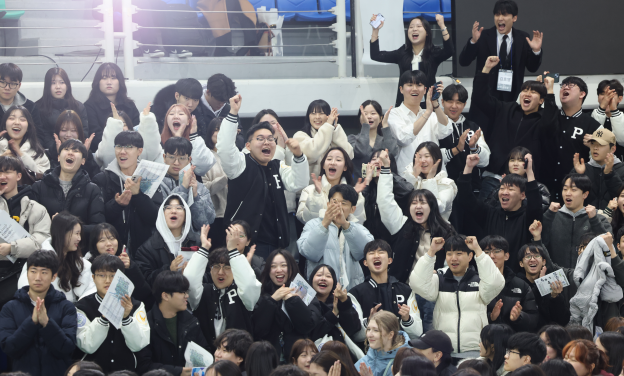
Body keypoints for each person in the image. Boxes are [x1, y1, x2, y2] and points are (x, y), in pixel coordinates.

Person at [217, 95, 309, 258]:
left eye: (270, 139)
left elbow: (298, 183)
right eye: (260, 139)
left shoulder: (277, 166)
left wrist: (299, 156)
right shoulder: (240, 164)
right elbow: (224, 148)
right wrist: (232, 113)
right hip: (245, 245)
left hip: (277, 245)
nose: (266, 142)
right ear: (248, 145)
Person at [473, 59, 557, 200]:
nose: (527, 94)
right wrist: (486, 69)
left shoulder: (543, 119)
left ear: (542, 100)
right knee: (486, 216)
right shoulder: (506, 109)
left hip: (524, 182)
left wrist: (550, 92)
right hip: (494, 177)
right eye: (525, 90)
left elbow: (550, 126)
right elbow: (481, 99)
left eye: (534, 92)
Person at [409, 235, 505, 353]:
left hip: (475, 349)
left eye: (459, 253)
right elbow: (417, 283)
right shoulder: (439, 280)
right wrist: (431, 251)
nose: (453, 258)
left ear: (470, 256)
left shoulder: (481, 280)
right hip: (444, 351)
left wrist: (477, 250)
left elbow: (496, 282)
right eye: (449, 254)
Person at [376, 148, 455, 281]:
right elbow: (385, 201)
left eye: (423, 203)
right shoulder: (401, 224)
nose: (418, 206)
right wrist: (385, 168)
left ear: (431, 207)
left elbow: (454, 262)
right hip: (404, 290)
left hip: (434, 290)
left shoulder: (446, 230)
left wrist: (440, 274)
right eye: (414, 203)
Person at [182, 224, 261, 352]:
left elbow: (249, 285)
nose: (220, 272)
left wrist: (233, 251)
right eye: (216, 267)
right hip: (208, 358)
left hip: (238, 360)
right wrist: (204, 248)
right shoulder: (203, 292)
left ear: (234, 269)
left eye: (227, 267)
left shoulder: (242, 295)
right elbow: (189, 280)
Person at [0, 250, 77, 376]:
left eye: (44, 272)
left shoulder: (66, 307)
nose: (38, 277)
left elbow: (67, 348)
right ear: (27, 273)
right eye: (33, 271)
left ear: (53, 276)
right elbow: (9, 348)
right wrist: (31, 322)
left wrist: (47, 323)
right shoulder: (10, 307)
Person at [459, 153, 542, 270]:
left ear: (523, 195)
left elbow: (535, 204)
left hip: (518, 277)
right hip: (488, 274)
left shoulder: (527, 217)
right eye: (502, 188)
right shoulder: (489, 213)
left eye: (511, 189)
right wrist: (468, 167)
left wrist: (529, 172)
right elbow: (465, 199)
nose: (504, 192)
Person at [74, 254, 150, 373]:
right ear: (93, 278)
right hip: (92, 372)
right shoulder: (82, 306)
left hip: (126, 371)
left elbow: (139, 344)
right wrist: (104, 318)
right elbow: (87, 345)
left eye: (113, 276)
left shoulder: (136, 306)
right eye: (102, 275)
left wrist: (126, 318)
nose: (108, 280)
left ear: (122, 278)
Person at [458, 0, 543, 106]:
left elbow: (532, 68)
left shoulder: (522, 38)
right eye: (497, 14)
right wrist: (473, 42)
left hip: (511, 98)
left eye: (505, 14)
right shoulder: (483, 36)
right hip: (484, 95)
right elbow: (464, 62)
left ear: (514, 18)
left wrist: (536, 51)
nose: (500, 18)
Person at [92, 130, 163, 257]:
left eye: (128, 147)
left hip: (145, 249)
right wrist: (117, 205)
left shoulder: (150, 177)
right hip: (112, 250)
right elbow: (98, 218)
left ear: (139, 151)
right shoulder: (103, 179)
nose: (122, 151)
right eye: (118, 146)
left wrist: (138, 196)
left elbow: (156, 218)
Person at [0, 156, 51, 310]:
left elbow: (42, 242)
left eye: (7, 172)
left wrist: (12, 248)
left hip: (23, 271)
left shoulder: (36, 208)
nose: (2, 176)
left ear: (19, 176)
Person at [298, 184, 372, 289]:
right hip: (320, 289)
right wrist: (324, 225)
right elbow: (309, 253)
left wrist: (346, 225)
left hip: (351, 290)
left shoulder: (358, 228)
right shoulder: (312, 225)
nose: (338, 206)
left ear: (353, 209)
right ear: (328, 204)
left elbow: (363, 253)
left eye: (344, 203)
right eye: (334, 202)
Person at [370, 14, 453, 107]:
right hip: (404, 105)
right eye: (411, 27)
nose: (414, 29)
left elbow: (449, 51)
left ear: (427, 32)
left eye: (419, 26)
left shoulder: (433, 53)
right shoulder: (402, 52)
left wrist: (442, 25)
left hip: (427, 105)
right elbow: (376, 55)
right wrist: (375, 30)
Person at [541, 76, 601, 204]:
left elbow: (606, 155)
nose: (565, 87)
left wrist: (595, 147)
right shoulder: (549, 116)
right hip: (544, 187)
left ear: (582, 94)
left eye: (571, 85)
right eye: (563, 85)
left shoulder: (593, 125)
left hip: (573, 192)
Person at [136, 271, 209, 376]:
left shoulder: (191, 321)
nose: (187, 296)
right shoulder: (145, 324)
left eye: (186, 291)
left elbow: (205, 352)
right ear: (165, 296)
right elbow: (144, 365)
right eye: (182, 292)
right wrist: (178, 372)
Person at [438, 83, 490, 229]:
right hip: (444, 192)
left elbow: (485, 161)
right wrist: (456, 149)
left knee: (472, 234)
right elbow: (433, 157)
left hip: (471, 191)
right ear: (442, 102)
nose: (454, 106)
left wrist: (474, 147)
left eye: (459, 102)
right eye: (450, 101)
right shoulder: (434, 125)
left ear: (464, 104)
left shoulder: (473, 127)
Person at [349, 240, 423, 341]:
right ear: (365, 263)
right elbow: (356, 336)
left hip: (401, 351)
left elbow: (418, 332)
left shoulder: (405, 290)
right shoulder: (355, 293)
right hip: (370, 353)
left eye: (381, 252)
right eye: (371, 253)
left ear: (390, 260)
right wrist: (370, 321)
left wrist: (407, 319)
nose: (376, 256)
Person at [252, 249, 320, 359]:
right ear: (268, 271)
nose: (278, 270)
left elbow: (308, 326)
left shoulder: (304, 290)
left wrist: (292, 301)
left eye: (283, 265)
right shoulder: (260, 294)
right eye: (273, 266)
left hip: (297, 359)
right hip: (269, 360)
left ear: (292, 268)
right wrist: (272, 300)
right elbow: (258, 330)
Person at [31, 139, 105, 235]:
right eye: (66, 149)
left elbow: (98, 227)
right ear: (58, 157)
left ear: (83, 161)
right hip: (46, 245)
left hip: (79, 247)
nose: (70, 153)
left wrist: (69, 226)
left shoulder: (92, 190)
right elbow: (31, 223)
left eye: (75, 151)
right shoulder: (39, 187)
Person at [18, 212, 96, 302]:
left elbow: (91, 288)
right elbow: (26, 289)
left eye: (80, 234)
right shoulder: (39, 260)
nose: (79, 238)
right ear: (63, 233)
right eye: (76, 233)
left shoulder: (79, 262)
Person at [387, 70, 451, 174]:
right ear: (401, 89)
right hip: (407, 176)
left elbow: (446, 131)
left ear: (425, 90)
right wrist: (427, 113)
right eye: (410, 85)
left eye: (419, 85)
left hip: (435, 175)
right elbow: (404, 138)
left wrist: (435, 104)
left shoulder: (433, 115)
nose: (415, 89)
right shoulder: (394, 114)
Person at [541, 174, 611, 269]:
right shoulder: (552, 216)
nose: (568, 193)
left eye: (573, 190)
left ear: (585, 194)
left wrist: (594, 220)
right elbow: (540, 244)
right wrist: (548, 215)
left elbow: (608, 246)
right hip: (557, 277)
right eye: (565, 189)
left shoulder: (597, 218)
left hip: (588, 278)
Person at [135, 194, 200, 285]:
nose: (173, 211)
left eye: (179, 208)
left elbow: (209, 274)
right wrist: (169, 270)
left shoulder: (197, 242)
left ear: (186, 216)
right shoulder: (147, 249)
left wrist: (191, 274)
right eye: (168, 208)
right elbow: (145, 281)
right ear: (162, 215)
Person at [85, 223, 153, 309]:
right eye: (102, 240)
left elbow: (145, 294)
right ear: (95, 244)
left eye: (112, 238)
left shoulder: (126, 262)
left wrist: (130, 268)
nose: (109, 243)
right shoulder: (87, 265)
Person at [480, 235, 539, 332]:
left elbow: (533, 319)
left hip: (513, 341)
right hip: (484, 340)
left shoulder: (521, 285)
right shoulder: (476, 283)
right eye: (486, 252)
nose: (491, 256)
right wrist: (490, 317)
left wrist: (518, 317)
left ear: (506, 256)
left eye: (496, 251)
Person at [160, 137, 216, 234]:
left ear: (189, 159)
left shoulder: (199, 187)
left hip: (193, 244)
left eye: (182, 158)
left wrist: (196, 197)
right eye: (172, 157)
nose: (176, 163)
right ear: (164, 157)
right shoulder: (158, 184)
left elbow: (206, 223)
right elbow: (162, 218)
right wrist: (183, 188)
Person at [296, 147, 366, 224]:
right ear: (323, 165)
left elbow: (358, 223)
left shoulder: (355, 192)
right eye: (329, 159)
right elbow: (305, 220)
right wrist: (316, 196)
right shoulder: (309, 190)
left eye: (338, 160)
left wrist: (354, 196)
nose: (332, 162)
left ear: (345, 167)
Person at [360, 149, 415, 241]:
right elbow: (360, 209)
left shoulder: (397, 183)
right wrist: (367, 181)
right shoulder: (366, 188)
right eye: (374, 159)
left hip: (394, 238)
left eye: (382, 159)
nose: (377, 162)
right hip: (369, 239)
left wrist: (386, 171)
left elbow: (408, 190)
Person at [84, 63, 140, 153]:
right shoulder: (89, 106)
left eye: (113, 78)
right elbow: (95, 137)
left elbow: (138, 131)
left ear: (120, 81)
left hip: (130, 152)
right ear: (97, 82)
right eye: (104, 78)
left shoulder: (130, 105)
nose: (109, 82)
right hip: (102, 154)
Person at [294, 100, 353, 183]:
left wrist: (334, 127)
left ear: (328, 116)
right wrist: (328, 125)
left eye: (321, 113)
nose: (317, 117)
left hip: (334, 190)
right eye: (313, 113)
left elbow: (348, 155)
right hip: (308, 190)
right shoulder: (300, 136)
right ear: (308, 116)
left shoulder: (334, 134)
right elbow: (312, 153)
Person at [307, 264, 362, 349]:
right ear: (311, 280)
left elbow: (354, 329)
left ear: (334, 283)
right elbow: (311, 333)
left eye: (328, 276)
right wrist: (333, 314)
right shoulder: (304, 303)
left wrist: (345, 302)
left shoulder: (341, 302)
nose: (323, 278)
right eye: (319, 275)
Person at [400, 141, 458, 221]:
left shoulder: (447, 184)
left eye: (427, 156)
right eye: (419, 157)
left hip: (437, 230)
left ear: (437, 159)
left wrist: (429, 180)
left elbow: (438, 208)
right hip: (412, 229)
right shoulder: (413, 179)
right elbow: (402, 202)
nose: (423, 160)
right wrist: (413, 176)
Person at [36, 67, 89, 151]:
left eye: (62, 82)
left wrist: (74, 149)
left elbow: (84, 132)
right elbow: (43, 135)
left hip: (77, 150)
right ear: (47, 86)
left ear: (67, 85)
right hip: (51, 152)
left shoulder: (78, 106)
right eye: (53, 83)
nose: (58, 87)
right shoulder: (38, 108)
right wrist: (58, 149)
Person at [484, 147, 551, 212]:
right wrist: (501, 188)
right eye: (512, 160)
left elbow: (539, 209)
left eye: (520, 160)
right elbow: (488, 208)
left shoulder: (540, 188)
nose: (515, 164)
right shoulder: (499, 186)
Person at [572, 129, 624, 210]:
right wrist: (579, 176)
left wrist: (610, 175)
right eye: (592, 144)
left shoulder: (622, 169)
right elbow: (569, 197)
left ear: (613, 149)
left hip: (614, 220)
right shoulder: (582, 168)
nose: (595, 148)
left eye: (600, 144)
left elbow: (620, 198)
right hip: (585, 220)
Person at [159, 103, 215, 176]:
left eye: (181, 114)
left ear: (188, 121)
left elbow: (204, 167)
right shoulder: (158, 143)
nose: (176, 117)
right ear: (166, 120)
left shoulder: (196, 142)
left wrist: (193, 136)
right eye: (172, 114)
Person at [348, 101, 398, 179]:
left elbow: (391, 154)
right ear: (360, 118)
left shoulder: (385, 139)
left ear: (381, 118)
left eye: (373, 113)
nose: (369, 116)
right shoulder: (352, 139)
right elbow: (360, 151)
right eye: (365, 113)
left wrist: (385, 125)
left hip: (382, 183)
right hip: (358, 186)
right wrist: (365, 126)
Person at [354, 311, 410, 376]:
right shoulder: (363, 361)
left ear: (390, 335)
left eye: (376, 330)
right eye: (368, 329)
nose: (369, 335)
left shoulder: (403, 364)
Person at [46, 110, 99, 177]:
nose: (68, 135)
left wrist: (84, 155)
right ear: (57, 131)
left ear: (79, 133)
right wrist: (59, 155)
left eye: (73, 130)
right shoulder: (50, 153)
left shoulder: (87, 152)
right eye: (64, 130)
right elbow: (49, 178)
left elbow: (94, 177)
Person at [0, 63, 43, 146]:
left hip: (23, 153)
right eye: (2, 82)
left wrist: (21, 152)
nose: (7, 87)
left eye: (12, 83)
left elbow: (39, 137)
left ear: (19, 86)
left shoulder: (31, 107)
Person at [0, 105, 50, 175]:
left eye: (22, 120)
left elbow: (43, 179)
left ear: (28, 127)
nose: (17, 122)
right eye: (11, 118)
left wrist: (21, 155)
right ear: (5, 125)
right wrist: (1, 159)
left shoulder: (38, 153)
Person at [202, 118, 228, 249]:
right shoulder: (205, 157)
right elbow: (204, 189)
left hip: (234, 214)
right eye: (216, 129)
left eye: (223, 129)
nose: (219, 133)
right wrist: (225, 179)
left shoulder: (235, 156)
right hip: (215, 216)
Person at [201, 74, 242, 150]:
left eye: (224, 101)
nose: (221, 104)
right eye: (219, 100)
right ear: (208, 92)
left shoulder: (229, 109)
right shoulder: (195, 107)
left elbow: (240, 136)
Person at [592, 80, 624, 160]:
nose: (606, 98)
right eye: (602, 94)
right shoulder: (589, 116)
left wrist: (614, 111)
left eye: (610, 94)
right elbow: (593, 139)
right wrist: (601, 108)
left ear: (620, 99)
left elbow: (622, 141)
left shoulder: (622, 117)